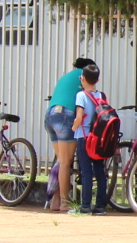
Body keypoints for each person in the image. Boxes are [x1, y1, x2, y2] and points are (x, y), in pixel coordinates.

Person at [44, 56, 95, 213]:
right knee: (66, 162)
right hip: (66, 116)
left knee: (61, 162)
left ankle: (55, 200)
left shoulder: (66, 77)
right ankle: (65, 203)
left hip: (51, 115)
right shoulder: (84, 75)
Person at [71, 64, 113, 217]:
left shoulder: (81, 95)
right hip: (99, 138)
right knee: (100, 171)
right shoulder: (102, 95)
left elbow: (79, 116)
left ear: (82, 78)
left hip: (84, 136)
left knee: (86, 171)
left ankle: (85, 206)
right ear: (97, 79)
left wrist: (73, 128)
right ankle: (101, 206)